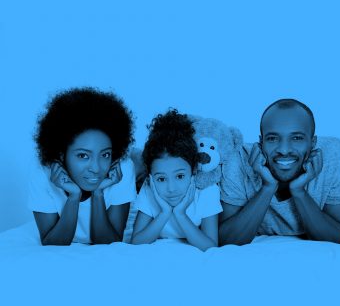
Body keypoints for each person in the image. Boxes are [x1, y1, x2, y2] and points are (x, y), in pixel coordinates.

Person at [219, 99, 340, 245]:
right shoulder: (238, 158)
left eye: (296, 138)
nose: (284, 150)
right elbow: (225, 239)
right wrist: (268, 187)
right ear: (261, 142)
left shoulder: (332, 154)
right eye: (272, 138)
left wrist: (299, 191)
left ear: (312, 143)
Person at [29, 87, 136, 245]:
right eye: (83, 156)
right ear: (61, 154)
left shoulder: (122, 168)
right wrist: (73, 197)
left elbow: (109, 242)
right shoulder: (42, 171)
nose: (96, 168)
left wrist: (98, 193)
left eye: (105, 154)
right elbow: (52, 243)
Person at [131, 109, 222, 251]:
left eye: (180, 176)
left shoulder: (208, 190)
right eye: (161, 179)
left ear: (193, 171)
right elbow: (136, 242)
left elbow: (210, 245)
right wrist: (164, 213)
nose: (171, 188)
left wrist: (180, 214)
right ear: (150, 178)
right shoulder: (149, 188)